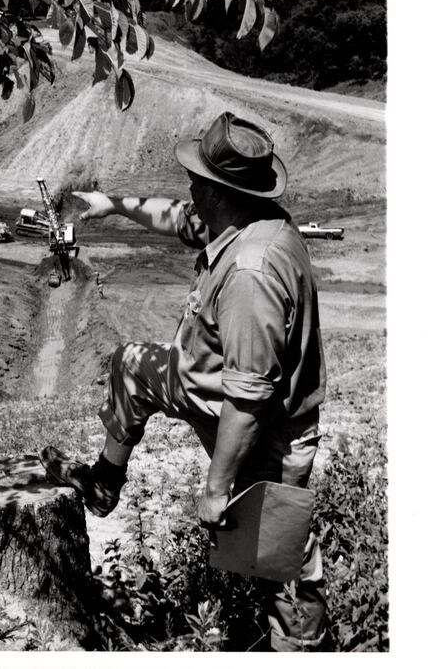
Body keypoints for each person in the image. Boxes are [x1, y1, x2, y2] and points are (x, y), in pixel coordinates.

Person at [40, 112, 328, 651]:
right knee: (131, 363)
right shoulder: (247, 218)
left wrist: (216, 489)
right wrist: (112, 204)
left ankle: (302, 651)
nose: (189, 190)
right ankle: (104, 482)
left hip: (260, 434)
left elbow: (250, 398)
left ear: (220, 192)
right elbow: (179, 219)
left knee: (283, 571)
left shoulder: (250, 274)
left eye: (197, 182)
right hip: (205, 388)